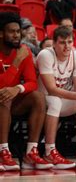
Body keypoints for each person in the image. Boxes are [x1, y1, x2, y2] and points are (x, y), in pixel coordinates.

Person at [37, 26, 76, 169]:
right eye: (63, 42)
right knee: (56, 101)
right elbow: (51, 89)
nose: (67, 46)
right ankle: (49, 151)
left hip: (63, 98)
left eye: (70, 42)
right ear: (54, 43)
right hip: (43, 100)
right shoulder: (45, 55)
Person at [0, 12, 51, 171]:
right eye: (12, 32)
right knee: (4, 95)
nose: (17, 35)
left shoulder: (24, 51)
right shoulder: (19, 55)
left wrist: (18, 88)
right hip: (2, 99)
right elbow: (2, 85)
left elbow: (32, 83)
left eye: (18, 31)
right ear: (1, 34)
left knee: (38, 97)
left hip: (10, 100)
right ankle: (3, 151)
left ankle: (31, 152)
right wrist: (16, 63)